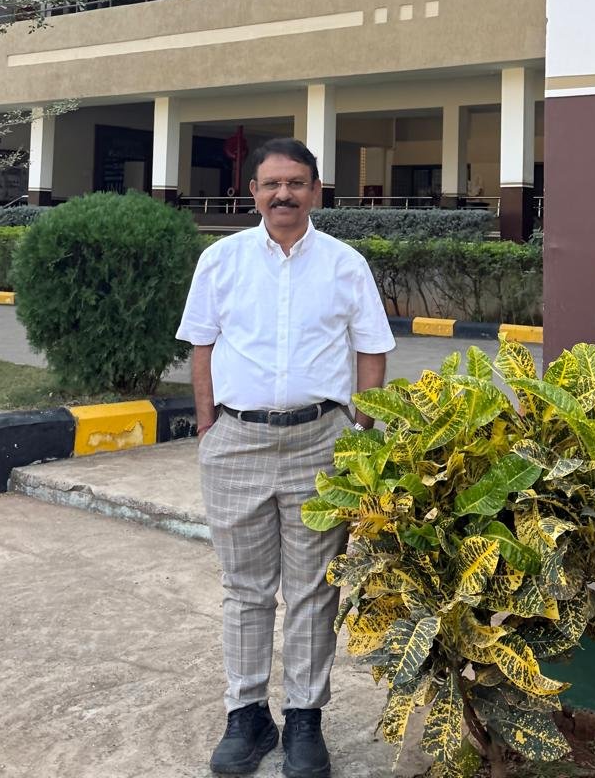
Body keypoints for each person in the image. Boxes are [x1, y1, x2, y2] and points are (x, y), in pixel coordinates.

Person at [177, 137, 394, 778]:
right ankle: (246, 715)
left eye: (296, 183)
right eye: (271, 184)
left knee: (312, 591)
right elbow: (202, 347)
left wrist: (360, 430)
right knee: (244, 590)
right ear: (253, 193)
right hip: (237, 442)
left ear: (316, 191)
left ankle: (304, 719)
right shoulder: (220, 260)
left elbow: (372, 350)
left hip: (319, 443)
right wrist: (209, 425)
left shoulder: (345, 264)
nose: (283, 195)